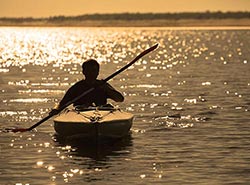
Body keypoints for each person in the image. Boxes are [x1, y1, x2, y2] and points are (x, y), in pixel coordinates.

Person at [50, 59, 124, 115]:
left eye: (94, 71)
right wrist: (56, 109)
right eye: (88, 70)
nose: (91, 73)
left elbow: (120, 99)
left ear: (98, 72)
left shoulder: (103, 85)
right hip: (81, 114)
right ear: (84, 72)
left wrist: (107, 89)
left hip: (101, 114)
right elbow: (62, 103)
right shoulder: (77, 87)